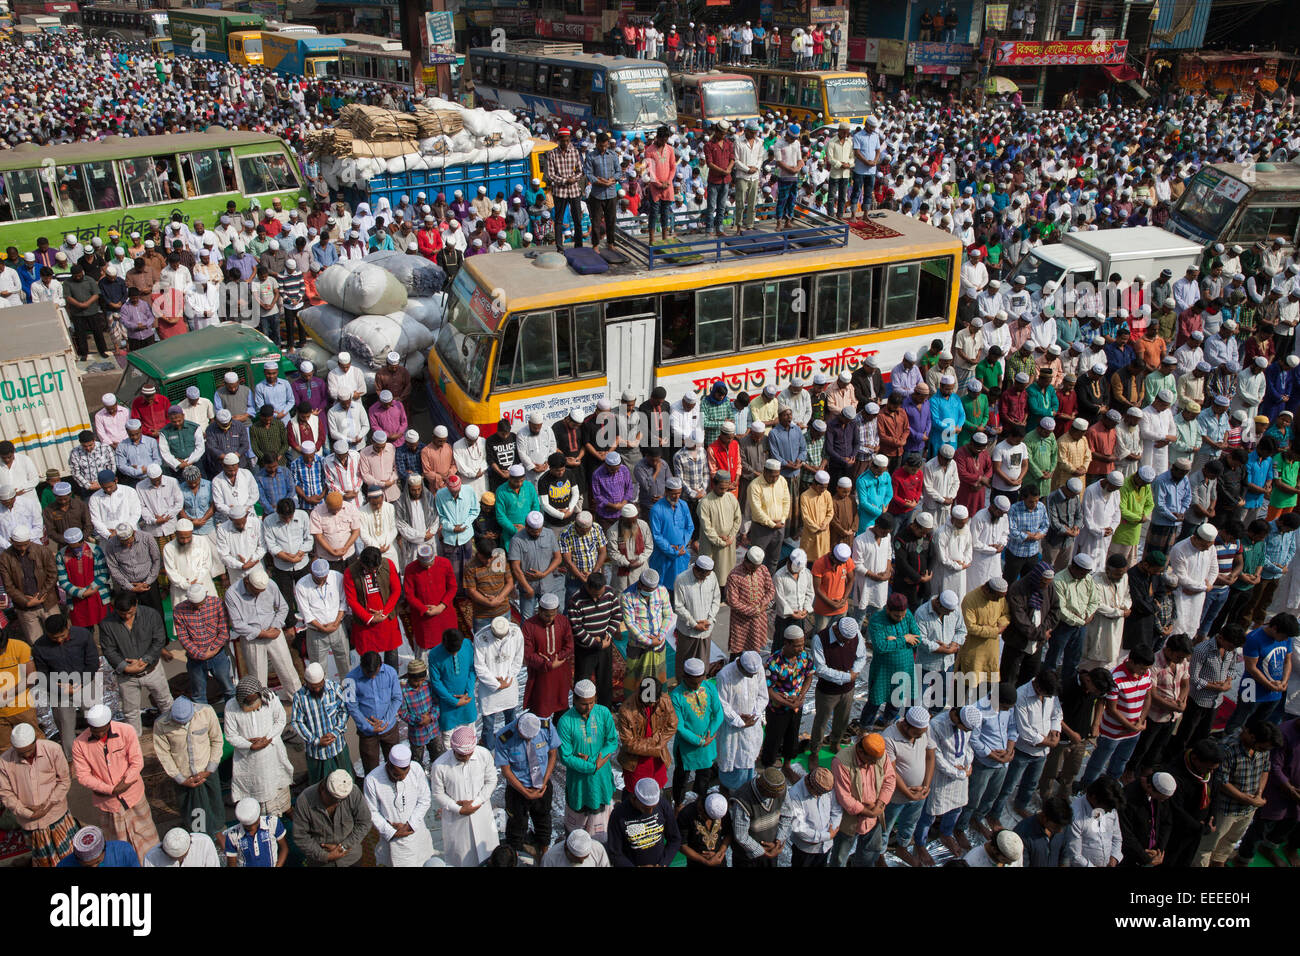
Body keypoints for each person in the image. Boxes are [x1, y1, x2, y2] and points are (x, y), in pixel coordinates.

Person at [70, 705, 158, 863]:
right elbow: (83, 776)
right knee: (118, 841)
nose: (99, 734)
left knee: (146, 837)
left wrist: (125, 783)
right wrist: (110, 789)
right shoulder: (79, 744)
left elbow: (137, 762)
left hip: (133, 795)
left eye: (103, 730)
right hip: (108, 804)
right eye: (95, 730)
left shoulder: (126, 731)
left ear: (109, 723)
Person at [0, 722, 75, 867]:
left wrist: (47, 806)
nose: (26, 755)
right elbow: (5, 793)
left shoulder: (53, 749)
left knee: (69, 857)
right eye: (21, 753)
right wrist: (25, 812)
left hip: (56, 817)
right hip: (31, 823)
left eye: (29, 751)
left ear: (35, 741)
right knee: (43, 861)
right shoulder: (4, 761)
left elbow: (64, 781)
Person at [152, 697, 224, 841]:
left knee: (214, 807)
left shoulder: (206, 712)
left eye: (185, 721)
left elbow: (216, 740)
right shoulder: (161, 724)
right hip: (184, 778)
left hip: (207, 773)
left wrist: (209, 770)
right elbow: (164, 755)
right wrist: (180, 779)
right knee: (193, 814)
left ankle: (218, 834)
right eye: (179, 722)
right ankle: (198, 841)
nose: (182, 724)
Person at [492, 711, 559, 860]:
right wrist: (524, 792)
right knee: (516, 825)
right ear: (517, 727)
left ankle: (544, 853)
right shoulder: (505, 737)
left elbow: (553, 753)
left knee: (543, 820)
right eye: (525, 738)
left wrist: (544, 780)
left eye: (532, 738)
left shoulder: (546, 727)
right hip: (518, 790)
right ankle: (515, 857)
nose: (529, 740)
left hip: (542, 786)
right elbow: (506, 770)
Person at [430, 724, 500, 866]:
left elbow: (491, 780)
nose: (467, 757)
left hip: (482, 815)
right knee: (461, 858)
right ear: (453, 749)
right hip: (456, 820)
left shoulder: (483, 755)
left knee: (488, 856)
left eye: (469, 754)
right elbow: (438, 794)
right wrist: (458, 808)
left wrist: (476, 803)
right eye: (462, 755)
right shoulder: (440, 765)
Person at [224, 677, 294, 818]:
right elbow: (230, 735)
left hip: (272, 753)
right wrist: (250, 745)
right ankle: (259, 816)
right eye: (248, 702)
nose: (253, 705)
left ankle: (285, 808)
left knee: (278, 784)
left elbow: (280, 720)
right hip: (249, 759)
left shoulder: (270, 698)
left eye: (254, 700)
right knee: (257, 788)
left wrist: (268, 739)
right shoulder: (231, 706)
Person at [362, 742, 433, 867]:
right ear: (388, 765)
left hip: (416, 834)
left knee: (423, 862)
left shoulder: (416, 769)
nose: (402, 778)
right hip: (391, 839)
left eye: (405, 774)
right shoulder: (372, 780)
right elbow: (372, 812)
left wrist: (410, 825)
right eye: (397, 775)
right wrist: (391, 832)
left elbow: (424, 799)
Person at [292, 769, 373, 868]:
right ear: (322, 789)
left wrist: (343, 847)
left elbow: (364, 822)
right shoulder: (304, 800)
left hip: (351, 859)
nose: (338, 803)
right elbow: (300, 836)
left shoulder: (353, 792)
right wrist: (325, 856)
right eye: (334, 800)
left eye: (340, 800)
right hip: (320, 863)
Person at [290, 663, 354, 784]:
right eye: (313, 687)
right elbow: (297, 722)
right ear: (306, 682)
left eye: (320, 686)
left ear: (324, 678)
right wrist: (316, 740)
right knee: (320, 787)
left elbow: (344, 710)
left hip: (337, 748)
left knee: (345, 782)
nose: (317, 689)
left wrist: (335, 732)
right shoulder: (299, 697)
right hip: (316, 753)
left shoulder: (334, 688)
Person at [223, 798, 289, 868]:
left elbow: (284, 848)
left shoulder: (273, 823)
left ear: (259, 815)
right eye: (248, 826)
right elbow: (232, 864)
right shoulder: (232, 835)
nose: (253, 828)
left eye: (255, 823)